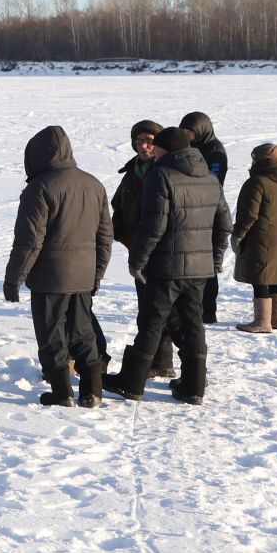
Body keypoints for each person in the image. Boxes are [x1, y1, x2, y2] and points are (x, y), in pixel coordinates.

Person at [108, 126, 232, 403]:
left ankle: (132, 382)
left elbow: (153, 227)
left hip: (165, 268)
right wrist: (214, 259)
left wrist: (138, 262)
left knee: (152, 322)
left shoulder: (161, 175)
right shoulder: (210, 179)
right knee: (192, 324)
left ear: (167, 149)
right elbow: (224, 225)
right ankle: (193, 386)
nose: (153, 151)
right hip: (199, 269)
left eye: (158, 146)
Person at [2, 126, 113, 406]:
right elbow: (104, 237)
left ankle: (62, 392)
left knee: (52, 335)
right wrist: (96, 274)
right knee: (83, 332)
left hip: (50, 278)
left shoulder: (39, 188)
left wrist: (14, 279)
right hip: (83, 275)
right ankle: (93, 390)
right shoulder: (94, 184)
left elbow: (29, 242)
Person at [108, 121, 175, 381]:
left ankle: (162, 361)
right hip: (139, 251)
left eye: (148, 141)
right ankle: (156, 361)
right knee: (146, 308)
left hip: (164, 251)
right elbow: (119, 208)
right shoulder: (132, 171)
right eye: (138, 142)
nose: (143, 146)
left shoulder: (168, 170)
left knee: (162, 310)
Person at [230, 142, 277, 333]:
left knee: (261, 277)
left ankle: (262, 322)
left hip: (260, 237)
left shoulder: (257, 182)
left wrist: (238, 234)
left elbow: (248, 214)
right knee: (274, 277)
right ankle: (276, 320)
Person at [181, 112, 229, 324]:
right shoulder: (187, 147)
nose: (187, 135)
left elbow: (215, 180)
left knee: (207, 263)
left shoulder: (215, 151)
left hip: (209, 209)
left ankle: (208, 309)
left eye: (190, 131)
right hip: (189, 208)